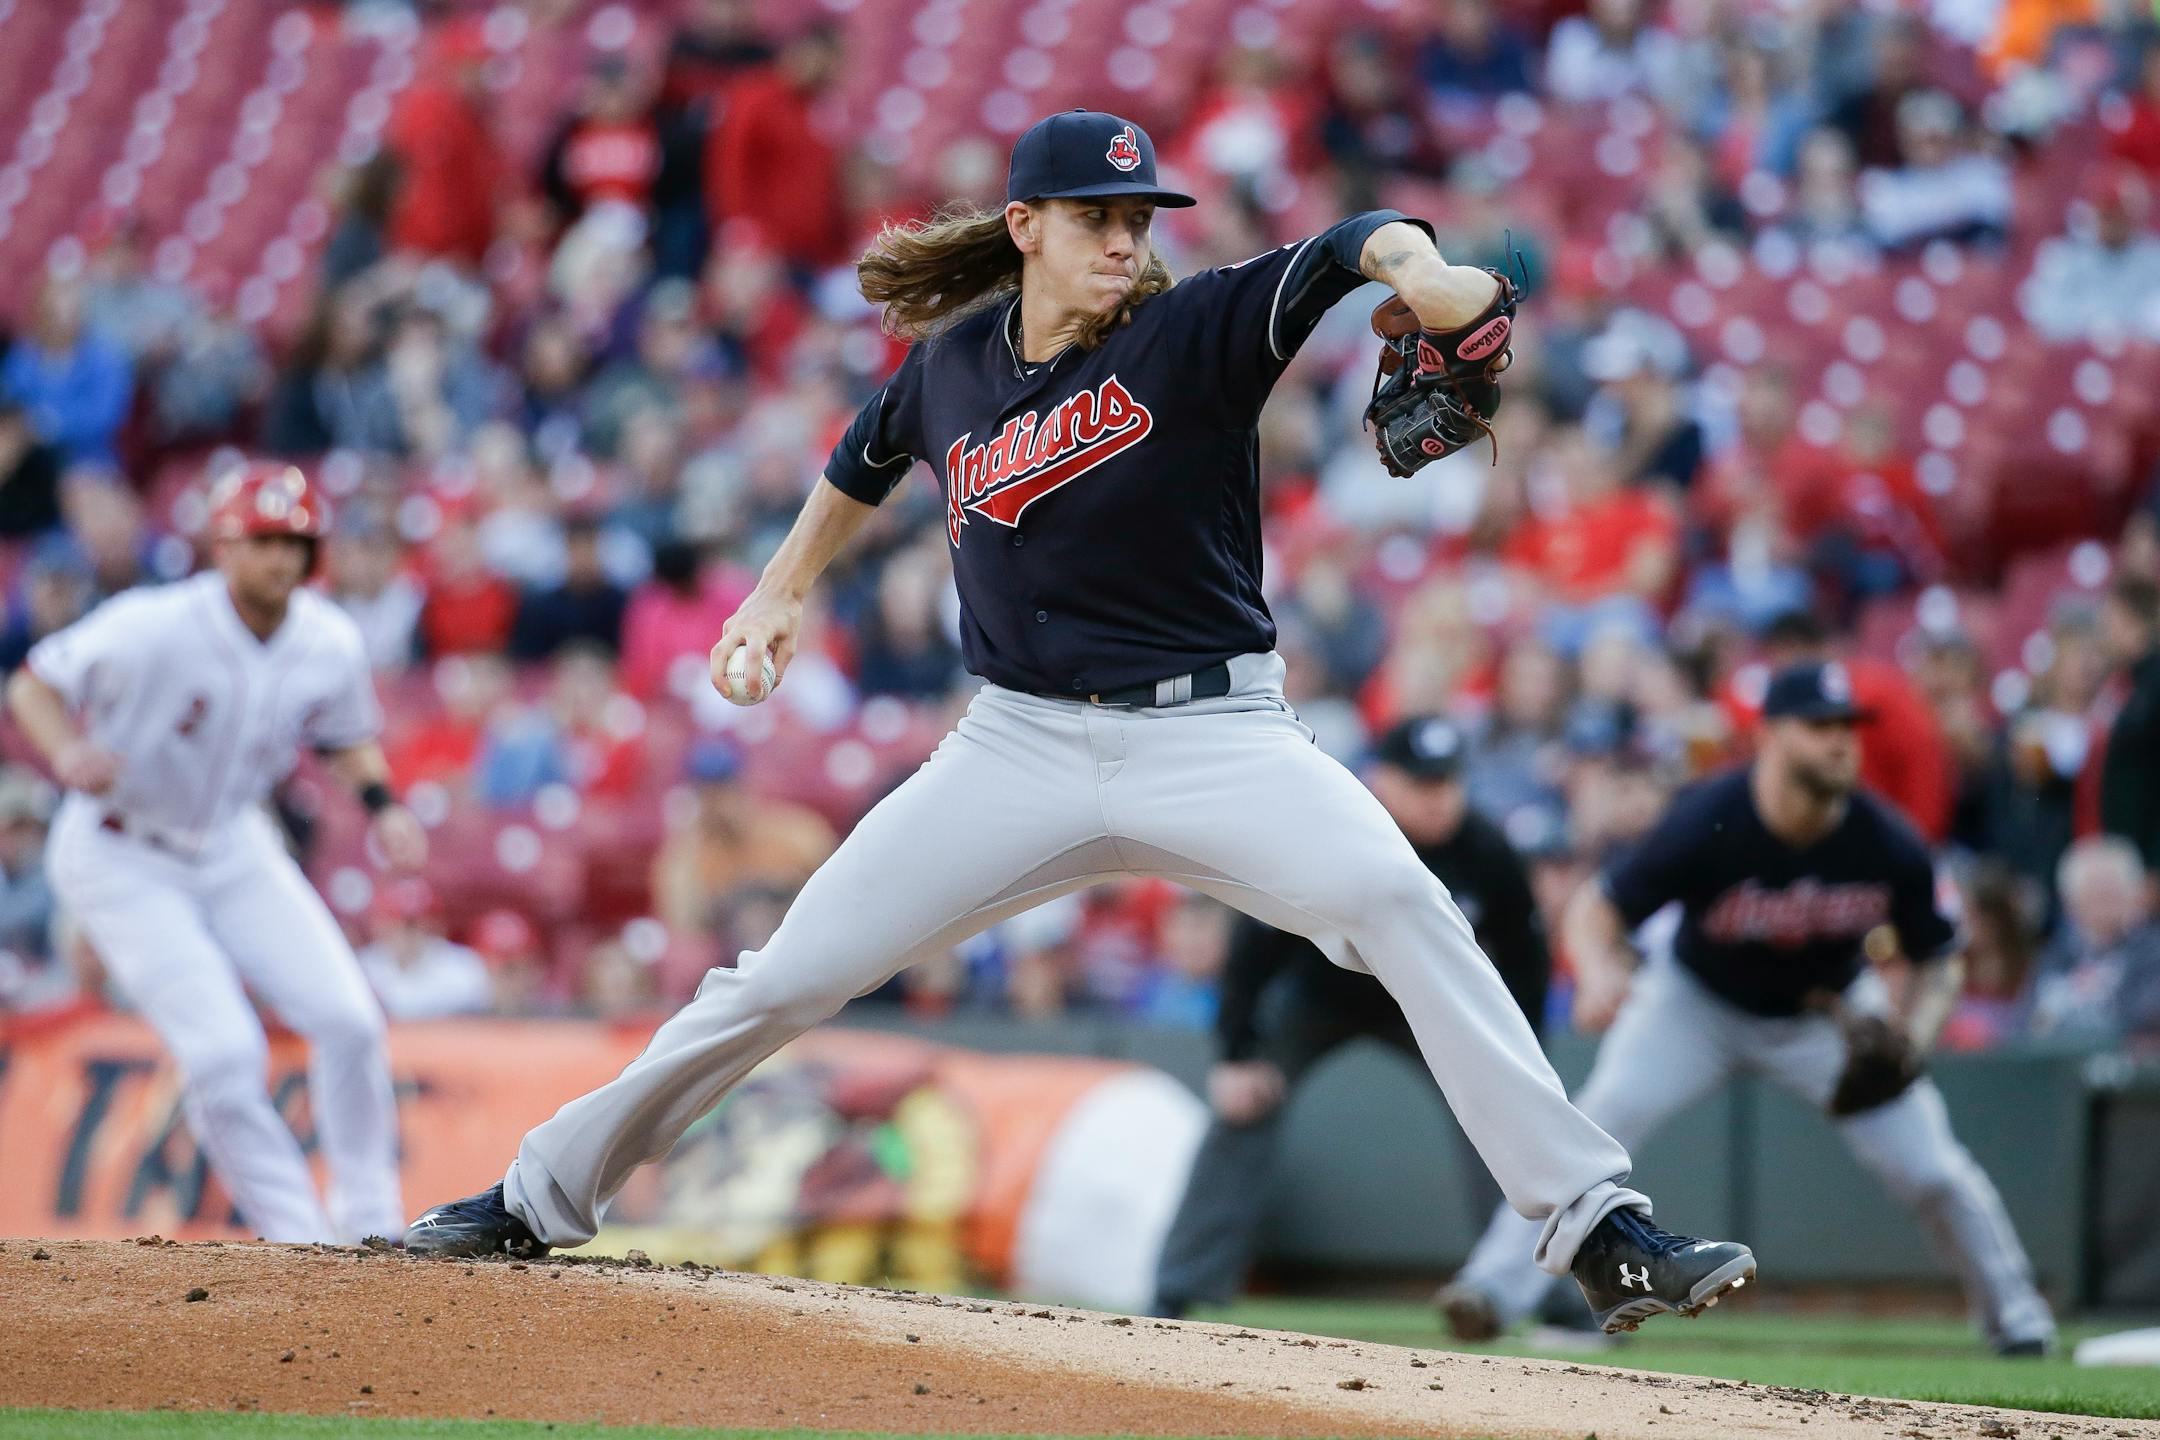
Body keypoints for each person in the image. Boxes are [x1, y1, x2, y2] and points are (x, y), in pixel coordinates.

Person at [404, 108, 1755, 1336]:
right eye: (1098, 216)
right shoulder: (948, 371)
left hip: (1216, 738)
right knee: (785, 977)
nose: (1124, 238)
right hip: (1016, 749)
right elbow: (859, 463)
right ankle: (538, 1196)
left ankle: (1597, 1231)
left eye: (1136, 217)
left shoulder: (1195, 332)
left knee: (1406, 910)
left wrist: (1420, 269)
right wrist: (778, 590)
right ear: (1026, 227)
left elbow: (1345, 247)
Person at [1437, 662, 2057, 1356]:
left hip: (1825, 1016)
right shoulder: (1711, 816)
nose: (1841, 742)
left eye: (1848, 727)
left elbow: (1940, 957)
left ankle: (2019, 1318)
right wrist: (1602, 972)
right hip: (1696, 1004)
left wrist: (1910, 1036)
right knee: (1600, 1118)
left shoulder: (1884, 837)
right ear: (1769, 736)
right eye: (1820, 726)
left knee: (1934, 1169)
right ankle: (1492, 1289)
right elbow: (1599, 909)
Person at [6, 461, 426, 1243]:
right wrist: (66, 753)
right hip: (120, 850)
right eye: (262, 540)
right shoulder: (152, 623)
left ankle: (372, 1222)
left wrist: (384, 808)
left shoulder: (327, 639)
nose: (279, 559)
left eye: (294, 542)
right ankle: (301, 1238)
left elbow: (347, 737)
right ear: (223, 547)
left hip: (233, 841)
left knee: (351, 1020)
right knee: (225, 1052)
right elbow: (32, 684)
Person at [1151, 716, 1551, 1318]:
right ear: (1380, 781)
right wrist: (1235, 1054)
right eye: (1422, 784)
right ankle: (1177, 1289)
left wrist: (1525, 1059)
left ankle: (1547, 1297)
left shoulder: (1486, 851)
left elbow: (1526, 960)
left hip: (1428, 1005)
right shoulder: (1334, 834)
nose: (1439, 798)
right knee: (1244, 1105)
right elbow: (1252, 948)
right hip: (1320, 998)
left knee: (1510, 1120)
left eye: (1447, 782)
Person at [358, 877, 493, 1022]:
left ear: (433, 925)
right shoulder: (360, 968)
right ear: (380, 924)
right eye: (398, 923)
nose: (406, 934)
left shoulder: (464, 968)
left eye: (414, 925)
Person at [2101, 573, 2160, 875]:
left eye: (2109, 621)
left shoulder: (2154, 683)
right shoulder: (2131, 683)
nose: (2105, 633)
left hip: (2146, 862)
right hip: (2126, 854)